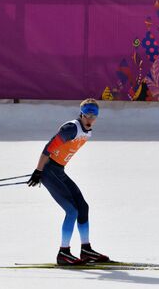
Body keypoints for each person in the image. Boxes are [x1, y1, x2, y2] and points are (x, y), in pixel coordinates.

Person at [27, 99, 110, 265]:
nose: (90, 117)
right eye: (87, 113)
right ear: (81, 112)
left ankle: (86, 250)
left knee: (83, 207)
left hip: (59, 171)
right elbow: (48, 148)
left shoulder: (87, 131)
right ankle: (63, 253)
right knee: (71, 211)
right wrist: (38, 171)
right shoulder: (72, 128)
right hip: (50, 171)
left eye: (94, 114)